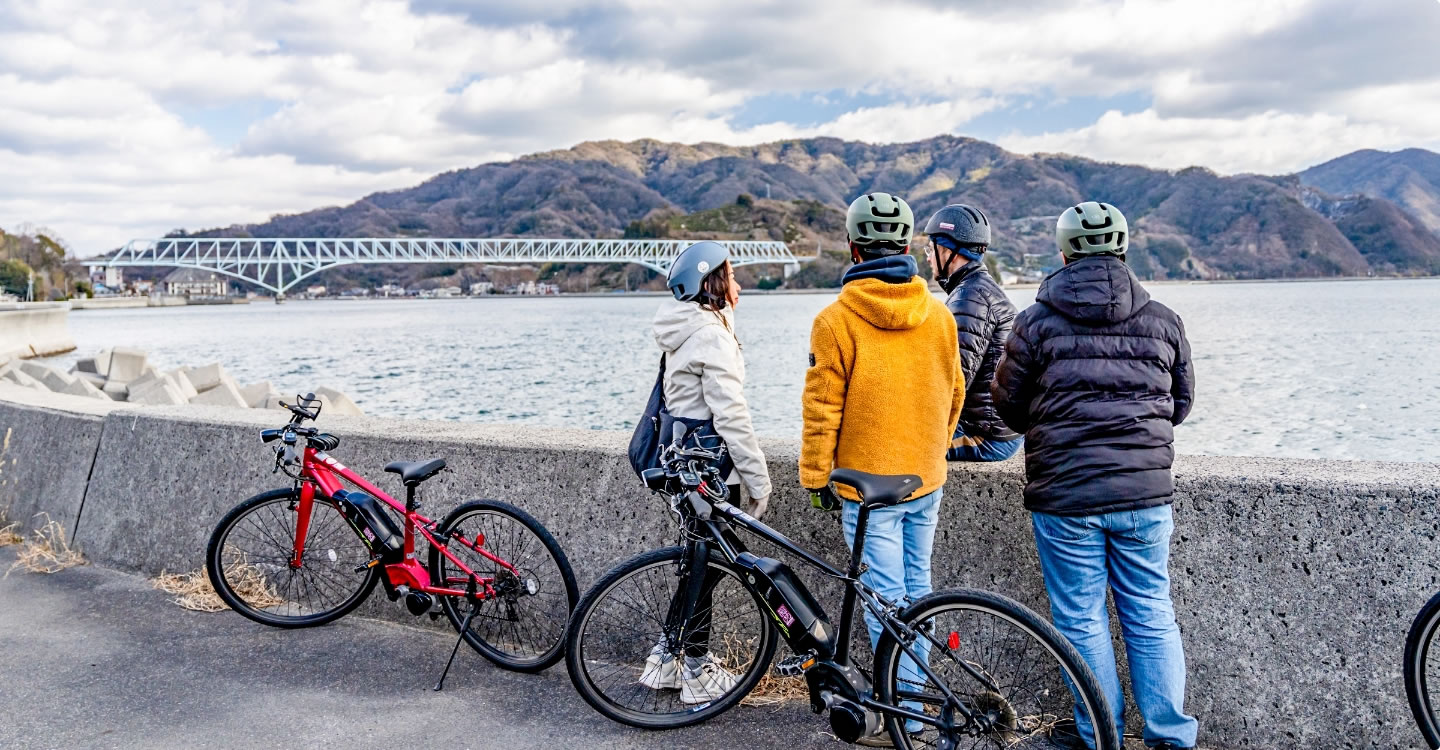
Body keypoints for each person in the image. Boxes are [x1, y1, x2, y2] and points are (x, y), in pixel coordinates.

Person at [991, 201, 1198, 750]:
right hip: (1145, 493)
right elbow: (1180, 405)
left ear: (1063, 252)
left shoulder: (1034, 322)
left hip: (1067, 497)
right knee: (1151, 611)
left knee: (1081, 619)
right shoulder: (1163, 320)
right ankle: (1170, 737)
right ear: (1123, 249)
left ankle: (1100, 736)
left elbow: (1007, 408)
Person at [800, 192, 964, 746]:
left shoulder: (836, 319)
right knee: (918, 592)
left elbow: (821, 412)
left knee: (887, 603)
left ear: (852, 246)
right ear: (908, 244)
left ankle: (904, 716)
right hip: (925, 477)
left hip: (867, 486)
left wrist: (816, 478)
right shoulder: (939, 316)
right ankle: (918, 700)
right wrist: (933, 447)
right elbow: (955, 395)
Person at [641, 240, 772, 704]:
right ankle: (695, 668)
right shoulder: (710, 336)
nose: (738, 284)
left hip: (683, 466)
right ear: (714, 283)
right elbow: (731, 415)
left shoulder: (689, 326)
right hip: (712, 471)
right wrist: (758, 479)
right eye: (732, 276)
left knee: (699, 564)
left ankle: (666, 659)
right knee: (710, 567)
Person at [922, 204, 1023, 463]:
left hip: (985, 437)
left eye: (930, 249)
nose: (928, 257)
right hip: (1000, 429)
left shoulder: (970, 298)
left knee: (889, 445)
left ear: (948, 251)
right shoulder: (978, 289)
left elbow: (950, 383)